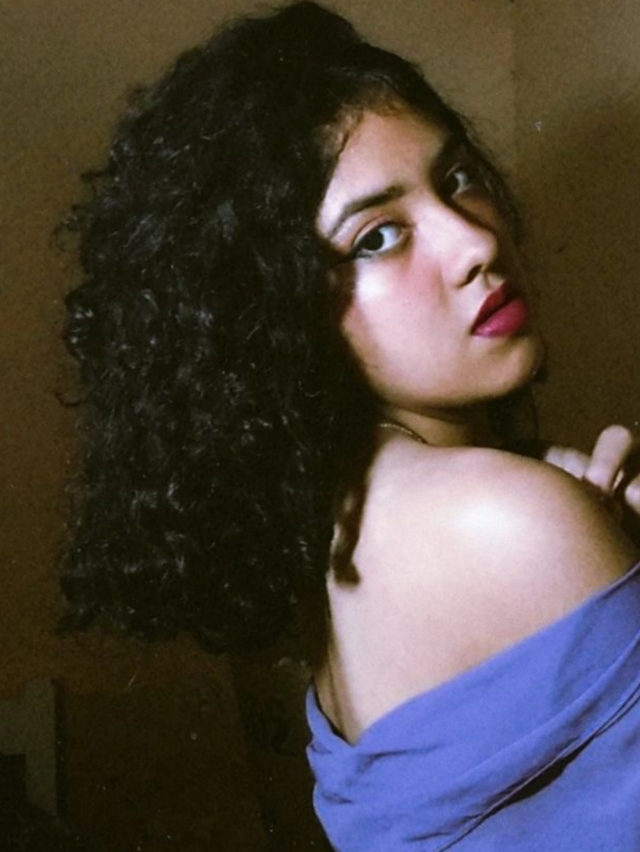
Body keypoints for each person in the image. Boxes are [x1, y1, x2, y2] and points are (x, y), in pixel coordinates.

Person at [60, 2, 640, 849]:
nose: (474, 242)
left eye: (456, 178)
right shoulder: (501, 516)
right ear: (278, 314)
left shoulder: (346, 535)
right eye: (376, 238)